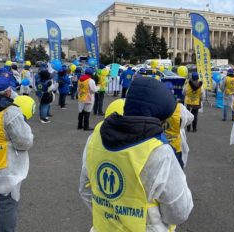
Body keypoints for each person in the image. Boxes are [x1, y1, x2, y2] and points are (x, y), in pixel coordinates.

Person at [79, 77, 193, 232]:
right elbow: (179, 212)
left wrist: (110, 215)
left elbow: (85, 189)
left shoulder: (95, 138)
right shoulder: (159, 152)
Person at [0, 76, 33, 232]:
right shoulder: (10, 112)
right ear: (8, 92)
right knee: (8, 205)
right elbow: (25, 141)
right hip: (7, 169)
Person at [164, 102, 194, 169]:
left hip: (160, 143)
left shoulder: (155, 105)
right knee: (177, 166)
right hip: (176, 143)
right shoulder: (179, 107)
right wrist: (182, 127)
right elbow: (190, 118)